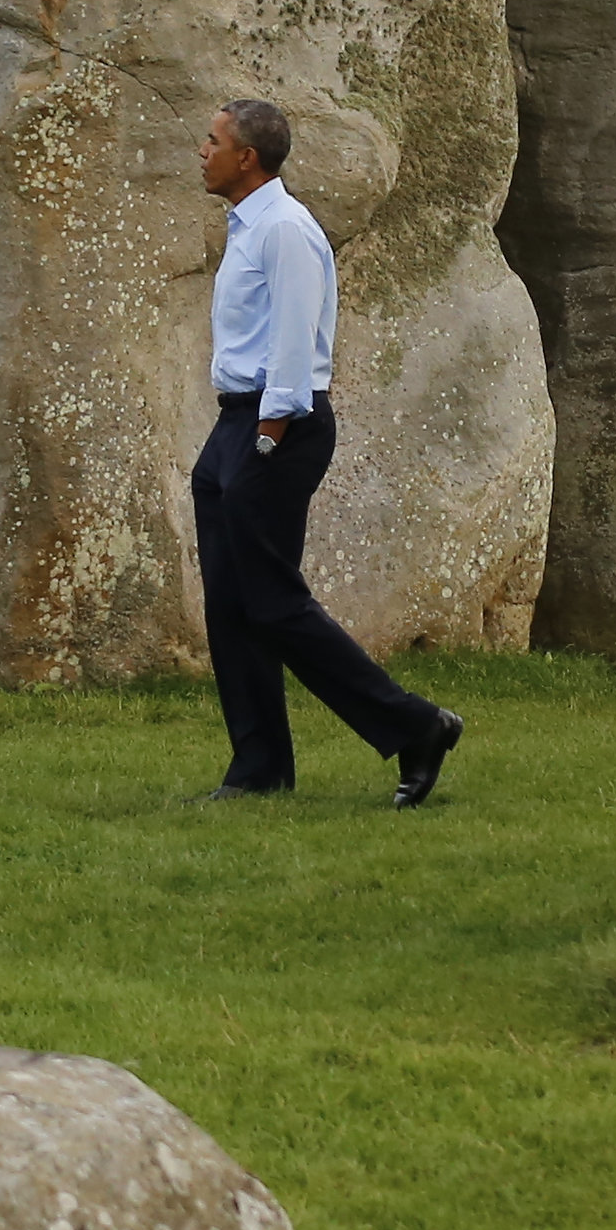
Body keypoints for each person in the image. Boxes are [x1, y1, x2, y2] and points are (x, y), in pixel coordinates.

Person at [188, 97, 466, 806]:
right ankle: (258, 770)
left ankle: (415, 726)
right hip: (236, 428)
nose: (202, 150)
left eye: (213, 140)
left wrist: (267, 434)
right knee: (230, 605)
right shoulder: (248, 227)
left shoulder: (285, 230)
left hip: (277, 427)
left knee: (274, 603)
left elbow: (293, 339)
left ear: (246, 157)